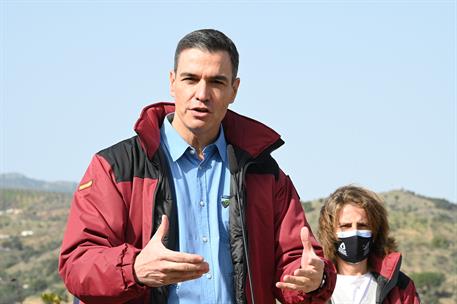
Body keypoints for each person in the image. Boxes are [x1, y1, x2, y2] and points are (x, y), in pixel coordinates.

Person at [59, 29, 336, 304]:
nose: (202, 94)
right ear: (172, 82)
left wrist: (314, 280)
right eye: (190, 79)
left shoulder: (263, 172)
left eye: (216, 82)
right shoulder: (115, 167)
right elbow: (77, 263)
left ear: (234, 90)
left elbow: (295, 264)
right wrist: (134, 268)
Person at [317, 185, 420, 304]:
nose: (354, 232)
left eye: (362, 225)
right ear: (330, 233)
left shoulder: (400, 286)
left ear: (375, 231)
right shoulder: (315, 286)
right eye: (346, 226)